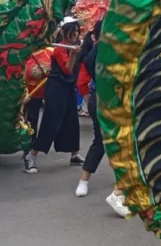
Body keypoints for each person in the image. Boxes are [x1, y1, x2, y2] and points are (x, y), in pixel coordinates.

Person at [73, 21, 131, 217]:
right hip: (108, 101)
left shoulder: (103, 49)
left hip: (108, 100)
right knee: (111, 142)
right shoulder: (101, 51)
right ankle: (114, 189)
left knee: (118, 143)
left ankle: (119, 189)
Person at [24, 17, 84, 174]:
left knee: (71, 120)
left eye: (77, 32)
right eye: (73, 32)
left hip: (68, 87)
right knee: (51, 121)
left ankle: (74, 155)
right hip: (56, 87)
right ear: (65, 33)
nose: (76, 34)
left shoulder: (75, 46)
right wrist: (72, 54)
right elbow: (68, 70)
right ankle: (31, 156)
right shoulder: (58, 49)